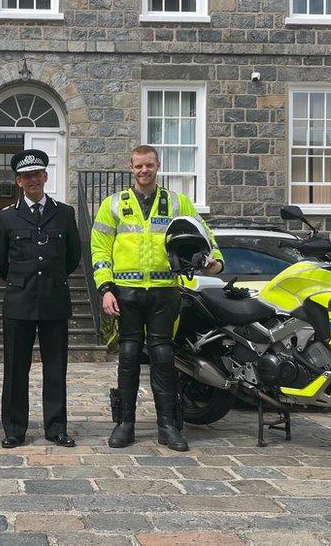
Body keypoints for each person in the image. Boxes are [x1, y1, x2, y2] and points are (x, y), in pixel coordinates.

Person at [90, 145, 224, 451]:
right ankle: (125, 424)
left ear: (158, 165)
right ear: (131, 168)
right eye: (138, 166)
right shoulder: (113, 205)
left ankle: (167, 426)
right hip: (126, 292)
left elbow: (204, 236)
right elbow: (99, 249)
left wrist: (215, 260)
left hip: (165, 291)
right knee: (128, 356)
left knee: (164, 358)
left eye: (148, 165)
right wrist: (105, 288)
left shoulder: (178, 203)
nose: (143, 171)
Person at [0, 149, 82, 449]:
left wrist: (51, 279)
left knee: (55, 368)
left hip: (54, 299)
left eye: (37, 174)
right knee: (15, 369)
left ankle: (56, 428)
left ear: (45, 176)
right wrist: (20, 281)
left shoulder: (65, 213)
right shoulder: (6, 217)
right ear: (18, 181)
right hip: (19, 300)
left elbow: (72, 257)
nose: (32, 180)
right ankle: (15, 429)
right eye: (26, 176)